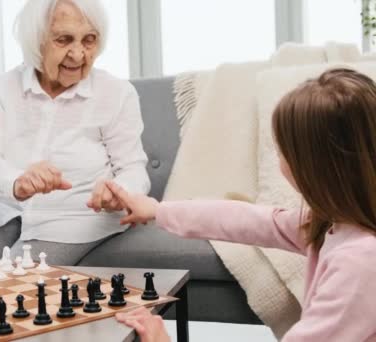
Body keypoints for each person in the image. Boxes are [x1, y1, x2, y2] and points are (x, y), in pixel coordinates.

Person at [111, 68, 376, 341]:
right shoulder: (334, 223)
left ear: (312, 166)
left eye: (282, 150)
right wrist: (158, 210)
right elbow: (246, 220)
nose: (279, 159)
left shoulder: (358, 263)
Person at [0, 0, 149, 265]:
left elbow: (134, 170)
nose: (78, 54)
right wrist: (17, 181)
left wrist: (118, 193)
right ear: (36, 41)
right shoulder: (4, 87)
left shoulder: (116, 93)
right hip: (8, 208)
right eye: (64, 40)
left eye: (88, 40)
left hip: (75, 216)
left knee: (16, 283)